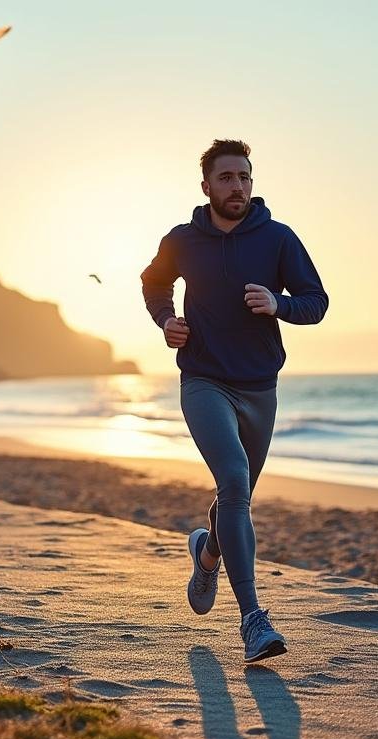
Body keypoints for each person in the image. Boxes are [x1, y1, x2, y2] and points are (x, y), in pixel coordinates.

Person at [140, 139, 329, 663]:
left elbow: (318, 301)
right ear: (206, 186)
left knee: (236, 500)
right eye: (226, 178)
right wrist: (166, 321)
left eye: (244, 177)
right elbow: (154, 281)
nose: (237, 186)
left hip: (260, 386)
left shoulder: (278, 239)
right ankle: (253, 621)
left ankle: (207, 552)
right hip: (203, 380)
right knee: (235, 481)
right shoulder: (183, 240)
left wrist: (279, 305)